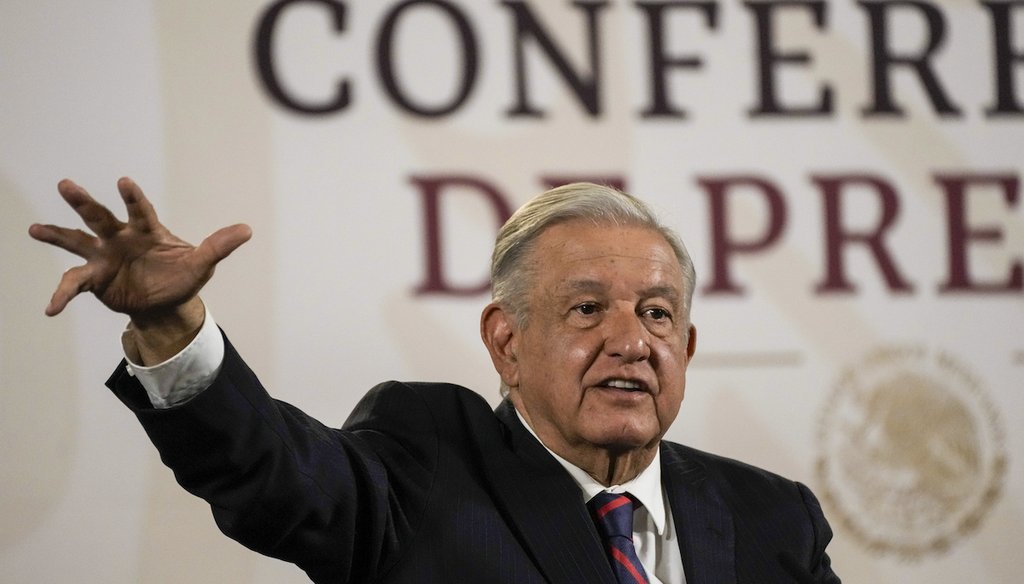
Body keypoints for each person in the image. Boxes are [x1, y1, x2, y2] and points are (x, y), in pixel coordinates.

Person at [30, 178, 840, 584]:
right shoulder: (425, 462)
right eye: (588, 309)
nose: (631, 341)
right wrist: (174, 327)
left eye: (658, 315)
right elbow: (277, 475)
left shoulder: (774, 519)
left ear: (687, 347)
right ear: (506, 342)